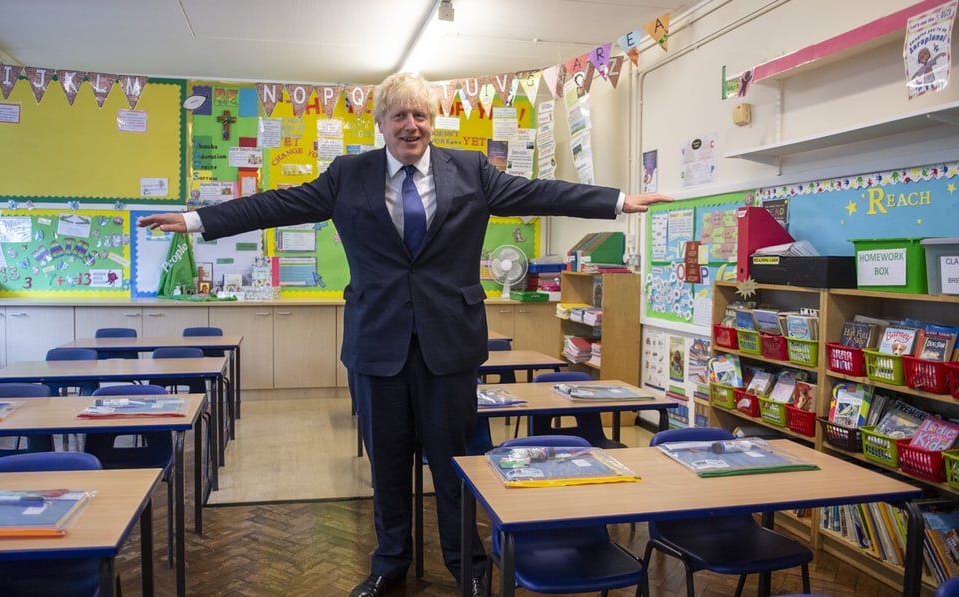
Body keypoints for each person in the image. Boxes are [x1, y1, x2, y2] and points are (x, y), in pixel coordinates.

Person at [138, 71, 673, 597]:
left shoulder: (471, 170)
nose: (411, 125)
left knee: (454, 463)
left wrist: (618, 201)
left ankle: (468, 564)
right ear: (381, 123)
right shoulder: (349, 174)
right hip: (377, 343)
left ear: (432, 121)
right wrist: (194, 221)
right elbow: (277, 204)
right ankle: (389, 562)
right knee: (388, 463)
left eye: (420, 115)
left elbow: (540, 192)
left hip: (450, 343)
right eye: (400, 115)